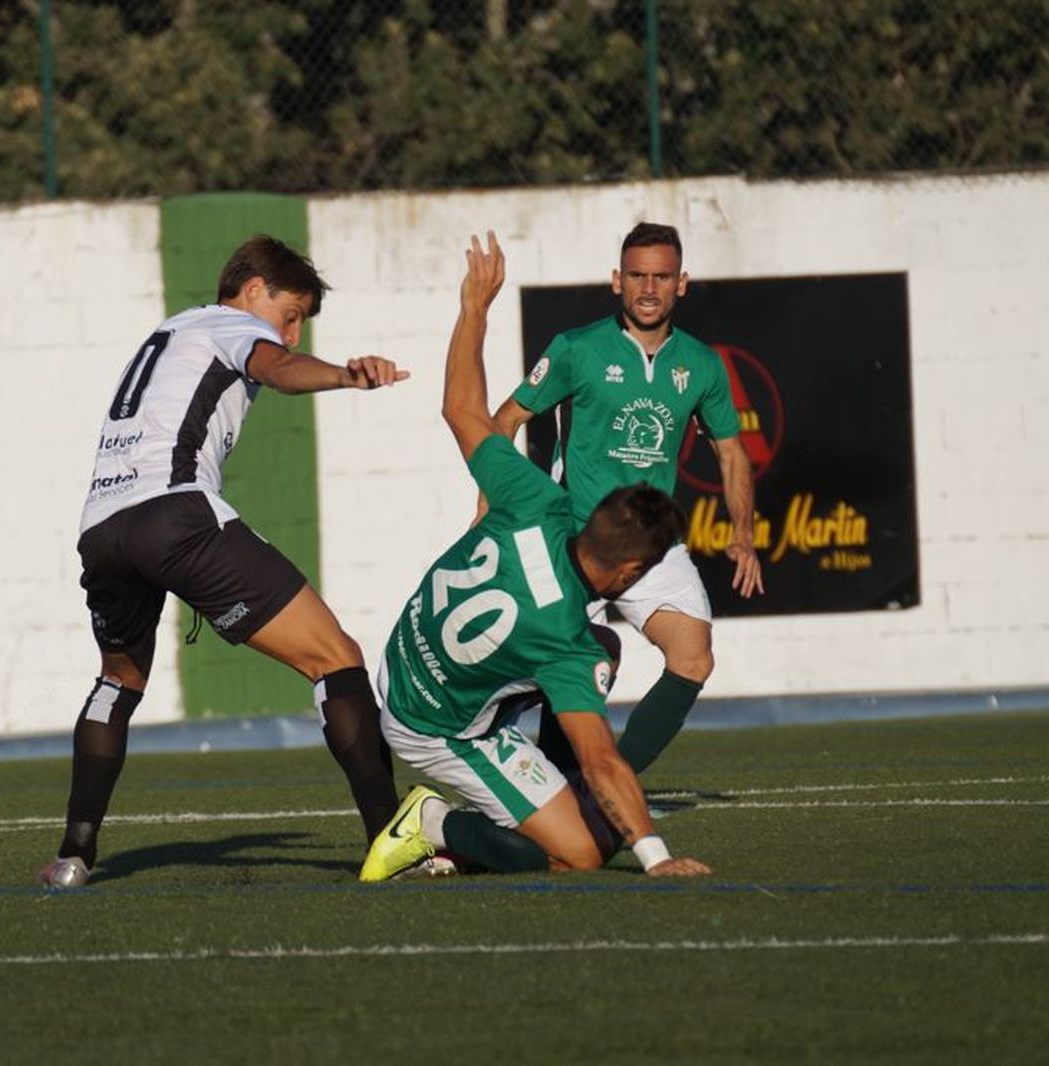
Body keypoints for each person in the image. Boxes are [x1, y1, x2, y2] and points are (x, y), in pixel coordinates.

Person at [41, 235, 407, 890]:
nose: (291, 333)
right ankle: (390, 833)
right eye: (291, 313)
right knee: (336, 656)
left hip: (101, 529)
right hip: (174, 515)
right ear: (254, 289)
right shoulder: (231, 324)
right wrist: (345, 375)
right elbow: (279, 370)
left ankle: (74, 852)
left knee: (118, 682)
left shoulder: (173, 331)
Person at [359, 233, 710, 883]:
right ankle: (430, 821)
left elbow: (461, 410)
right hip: (434, 727)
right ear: (630, 573)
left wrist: (474, 309)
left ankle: (521, 798)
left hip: (406, 652)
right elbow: (604, 760)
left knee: (604, 654)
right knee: (574, 852)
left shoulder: (534, 497)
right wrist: (655, 857)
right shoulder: (563, 642)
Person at [493, 222, 763, 775]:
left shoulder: (701, 364)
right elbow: (505, 421)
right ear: (616, 280)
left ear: (681, 284)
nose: (648, 288)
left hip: (652, 544)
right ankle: (537, 783)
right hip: (577, 539)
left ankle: (606, 793)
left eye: (661, 277)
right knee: (566, 668)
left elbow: (732, 453)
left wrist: (743, 536)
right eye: (637, 275)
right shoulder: (577, 348)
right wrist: (495, 505)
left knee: (693, 657)